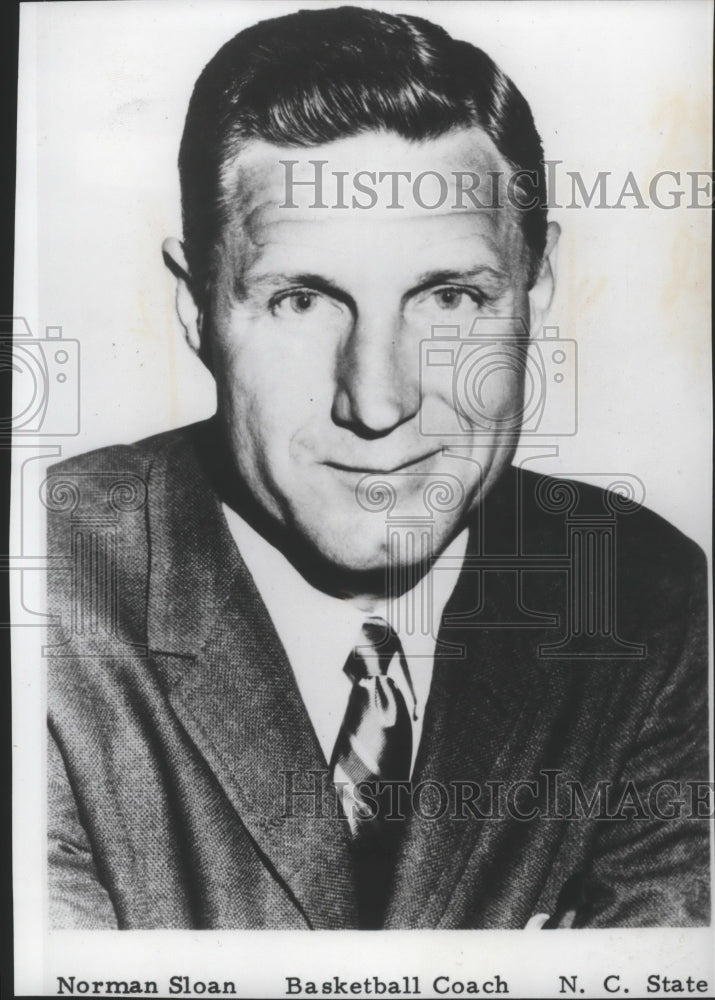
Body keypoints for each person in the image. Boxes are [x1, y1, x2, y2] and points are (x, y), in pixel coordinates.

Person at [46, 5, 710, 930]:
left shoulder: (642, 595)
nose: (378, 401)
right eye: (301, 299)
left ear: (534, 287)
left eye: (449, 296)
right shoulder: (46, 590)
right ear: (196, 306)